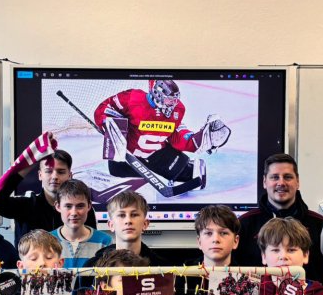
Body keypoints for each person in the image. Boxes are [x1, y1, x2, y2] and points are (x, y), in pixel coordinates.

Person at [237, 153, 323, 295]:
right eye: (275, 177)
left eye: (287, 177)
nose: (281, 182)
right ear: (264, 182)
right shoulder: (244, 224)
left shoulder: (320, 225)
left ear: (298, 182)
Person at [93, 79, 226, 191]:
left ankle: (188, 165)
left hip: (156, 152)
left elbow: (175, 135)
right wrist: (106, 123)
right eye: (170, 100)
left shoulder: (178, 109)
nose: (174, 104)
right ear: (158, 95)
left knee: (191, 176)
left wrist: (197, 142)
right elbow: (105, 108)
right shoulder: (133, 98)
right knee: (129, 186)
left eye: (175, 100)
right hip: (126, 153)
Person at [0, 146, 96, 243]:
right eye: (48, 171)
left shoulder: (82, 209)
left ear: (70, 175)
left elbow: (92, 243)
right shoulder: (26, 204)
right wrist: (26, 166)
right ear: (40, 175)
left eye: (61, 172)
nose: (54, 176)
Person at [84, 190, 164, 266]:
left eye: (134, 215)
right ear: (111, 225)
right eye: (121, 215)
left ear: (145, 224)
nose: (128, 221)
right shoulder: (92, 267)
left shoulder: (163, 268)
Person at [51, 179, 112, 268]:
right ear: (58, 206)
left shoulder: (105, 241)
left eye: (80, 206)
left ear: (89, 206)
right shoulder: (46, 242)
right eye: (68, 206)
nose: (74, 213)